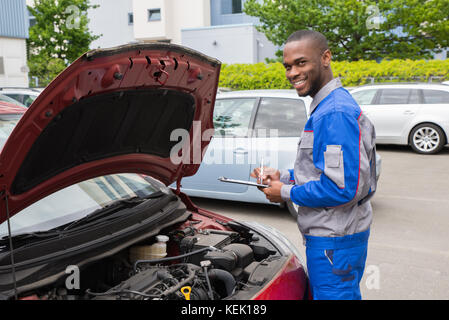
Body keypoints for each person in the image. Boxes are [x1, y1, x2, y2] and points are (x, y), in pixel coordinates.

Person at [251, 30, 377, 300]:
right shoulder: (326, 107)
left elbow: (342, 188)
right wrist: (282, 176)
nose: (292, 72)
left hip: (334, 241)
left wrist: (283, 192)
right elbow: (323, 172)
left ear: (326, 58)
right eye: (288, 66)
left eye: (301, 62)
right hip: (337, 237)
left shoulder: (334, 112)